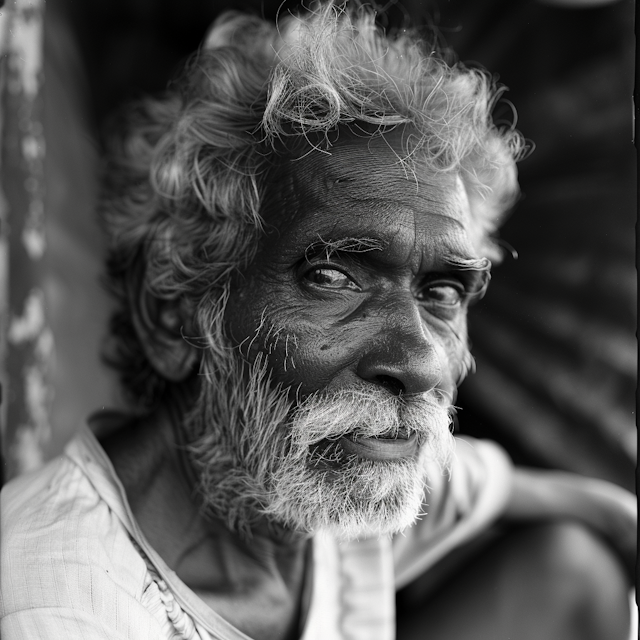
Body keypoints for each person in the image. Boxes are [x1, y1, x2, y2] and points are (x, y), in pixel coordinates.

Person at [1, 4, 635, 639]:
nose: (419, 363)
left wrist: (614, 513)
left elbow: (495, 489)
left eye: (442, 289)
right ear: (175, 313)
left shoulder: (315, 466)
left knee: (576, 569)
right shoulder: (65, 610)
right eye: (332, 277)